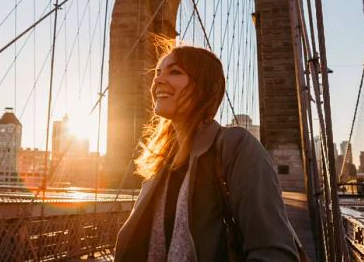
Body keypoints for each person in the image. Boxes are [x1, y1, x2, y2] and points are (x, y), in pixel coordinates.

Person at [114, 44, 300, 261]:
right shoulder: (160, 162)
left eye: (175, 72)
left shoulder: (236, 146)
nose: (157, 80)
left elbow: (272, 252)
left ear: (203, 87)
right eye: (158, 72)